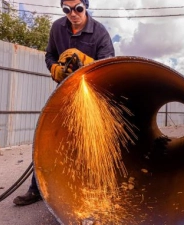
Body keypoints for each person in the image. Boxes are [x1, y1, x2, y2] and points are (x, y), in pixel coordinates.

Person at [13, 0, 115, 206]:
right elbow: (49, 55)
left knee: (91, 143)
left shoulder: (99, 32)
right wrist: (54, 69)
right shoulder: (57, 28)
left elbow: (108, 64)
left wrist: (85, 61)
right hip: (64, 92)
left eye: (78, 8)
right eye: (67, 10)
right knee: (49, 138)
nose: (73, 14)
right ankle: (37, 189)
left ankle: (97, 189)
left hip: (90, 97)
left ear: (86, 6)